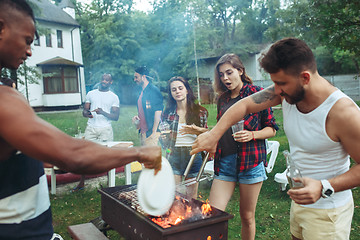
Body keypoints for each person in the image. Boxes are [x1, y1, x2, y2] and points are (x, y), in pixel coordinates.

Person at [0, 1, 161, 239]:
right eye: (27, 40)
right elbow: (74, 156)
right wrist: (139, 153)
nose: (30, 51)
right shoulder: (4, 100)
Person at [192, 38, 360, 240]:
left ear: (305, 78)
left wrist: (324, 186)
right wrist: (214, 134)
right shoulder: (286, 92)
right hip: (299, 202)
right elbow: (243, 106)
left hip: (328, 212)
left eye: (280, 84)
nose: (275, 91)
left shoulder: (344, 113)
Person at [209, 54, 278, 240]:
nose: (225, 78)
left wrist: (252, 134)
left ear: (240, 71)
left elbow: (271, 129)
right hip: (225, 163)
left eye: (229, 72)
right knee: (213, 215)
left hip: (250, 162)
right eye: (221, 74)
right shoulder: (222, 99)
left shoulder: (258, 93)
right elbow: (220, 128)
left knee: (247, 216)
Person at [159, 76, 208, 199]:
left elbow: (208, 135)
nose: (177, 92)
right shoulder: (168, 113)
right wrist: (163, 138)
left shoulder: (200, 112)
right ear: (171, 93)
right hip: (174, 154)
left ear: (187, 90)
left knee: (191, 197)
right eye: (174, 89)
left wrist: (196, 130)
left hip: (193, 154)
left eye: (180, 88)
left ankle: (191, 218)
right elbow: (165, 144)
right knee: (176, 194)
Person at [73, 73, 120, 191]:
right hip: (91, 128)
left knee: (108, 157)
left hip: (106, 129)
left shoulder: (113, 97)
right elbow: (85, 111)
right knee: (85, 155)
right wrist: (87, 113)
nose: (104, 81)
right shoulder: (91, 93)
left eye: (107, 80)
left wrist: (103, 112)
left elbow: (115, 117)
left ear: (111, 82)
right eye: (102, 79)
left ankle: (110, 185)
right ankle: (81, 183)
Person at [132, 66, 163, 146]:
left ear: (143, 77)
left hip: (151, 133)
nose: (135, 79)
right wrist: (138, 117)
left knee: (151, 158)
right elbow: (145, 110)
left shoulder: (153, 90)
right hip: (143, 133)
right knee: (144, 158)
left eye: (136, 77)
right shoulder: (141, 92)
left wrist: (154, 132)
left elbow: (158, 111)